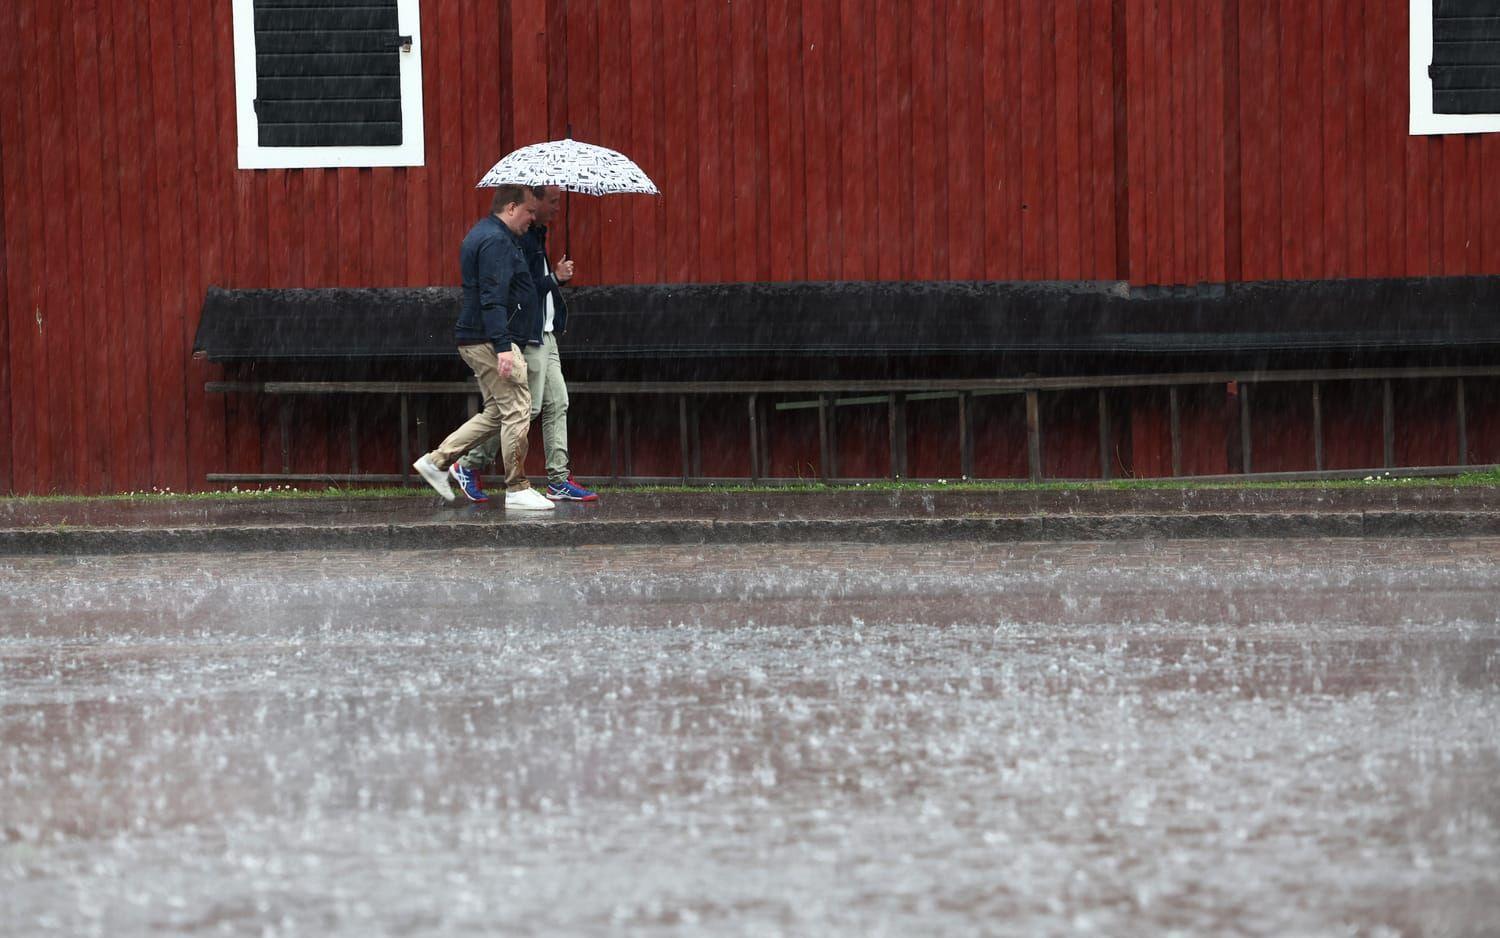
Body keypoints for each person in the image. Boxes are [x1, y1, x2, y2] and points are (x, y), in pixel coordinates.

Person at [448, 184, 598, 502]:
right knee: (523, 410)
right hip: (529, 335)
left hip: (546, 333)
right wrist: (506, 343)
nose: (555, 209)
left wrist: (555, 279)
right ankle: (468, 464)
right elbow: (515, 292)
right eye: (548, 204)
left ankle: (558, 478)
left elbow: (527, 288)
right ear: (529, 205)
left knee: (558, 404)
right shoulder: (517, 239)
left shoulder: (535, 235)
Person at [411, 185, 554, 511]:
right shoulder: (496, 241)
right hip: (490, 339)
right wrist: (503, 347)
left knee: (497, 412)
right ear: (512, 207)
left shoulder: (492, 236)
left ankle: (436, 462)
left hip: (482, 337)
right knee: (519, 407)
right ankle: (517, 488)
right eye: (530, 212)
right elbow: (492, 296)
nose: (533, 219)